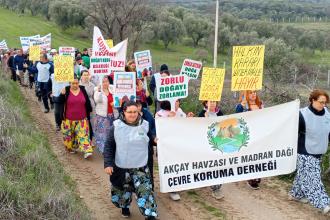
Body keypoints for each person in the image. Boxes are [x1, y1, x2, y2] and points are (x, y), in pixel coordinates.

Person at [104, 101, 158, 220]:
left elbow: (151, 137)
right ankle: (125, 207)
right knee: (123, 190)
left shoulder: (145, 124)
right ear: (124, 112)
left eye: (135, 112)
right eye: (130, 112)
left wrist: (155, 139)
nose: (133, 114)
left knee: (145, 191)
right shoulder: (116, 126)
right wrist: (108, 164)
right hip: (122, 165)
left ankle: (150, 214)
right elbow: (108, 145)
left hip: (141, 165)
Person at [289, 89, 330, 214]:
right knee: (313, 180)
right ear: (312, 100)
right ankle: (324, 204)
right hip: (304, 152)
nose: (323, 105)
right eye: (321, 102)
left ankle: (295, 194)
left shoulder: (328, 114)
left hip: (318, 152)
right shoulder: (302, 114)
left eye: (325, 103)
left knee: (304, 175)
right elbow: (291, 133)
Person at [235, 90, 263, 190]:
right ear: (246, 94)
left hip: (259, 133)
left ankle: (257, 175)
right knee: (250, 156)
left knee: (258, 155)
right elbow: (237, 117)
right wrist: (241, 106)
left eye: (255, 92)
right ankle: (251, 178)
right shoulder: (242, 106)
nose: (253, 94)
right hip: (248, 134)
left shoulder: (260, 104)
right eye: (251, 92)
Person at [60, 77, 94, 159]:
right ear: (69, 83)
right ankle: (71, 147)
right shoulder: (66, 90)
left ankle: (87, 151)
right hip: (68, 120)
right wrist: (61, 94)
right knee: (69, 137)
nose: (75, 85)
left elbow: (87, 101)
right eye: (73, 83)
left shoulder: (82, 89)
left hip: (82, 119)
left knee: (84, 135)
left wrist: (90, 110)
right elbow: (60, 102)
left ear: (79, 83)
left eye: (76, 83)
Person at [198, 100, 224, 200]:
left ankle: (216, 188)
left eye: (214, 101)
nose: (212, 103)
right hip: (206, 144)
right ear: (206, 103)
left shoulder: (220, 113)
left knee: (218, 165)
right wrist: (206, 117)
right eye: (210, 101)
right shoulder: (202, 113)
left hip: (218, 142)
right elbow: (199, 127)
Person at [136, 100, 157, 190]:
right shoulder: (127, 117)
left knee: (149, 168)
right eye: (135, 105)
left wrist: (153, 137)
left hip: (147, 147)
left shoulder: (147, 114)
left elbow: (152, 128)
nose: (137, 107)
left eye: (139, 105)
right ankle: (138, 188)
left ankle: (150, 188)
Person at [93, 76, 114, 153]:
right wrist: (98, 91)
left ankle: (110, 149)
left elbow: (118, 99)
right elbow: (97, 100)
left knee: (111, 134)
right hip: (102, 117)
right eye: (103, 82)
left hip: (112, 116)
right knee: (103, 134)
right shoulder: (97, 90)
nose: (105, 83)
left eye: (106, 81)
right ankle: (103, 150)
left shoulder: (113, 89)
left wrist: (115, 104)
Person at [80, 70, 96, 141]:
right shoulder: (78, 84)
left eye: (87, 75)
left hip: (90, 104)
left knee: (91, 122)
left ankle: (90, 139)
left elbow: (94, 96)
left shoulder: (92, 85)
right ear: (81, 76)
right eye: (84, 75)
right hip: (81, 104)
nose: (86, 76)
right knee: (82, 122)